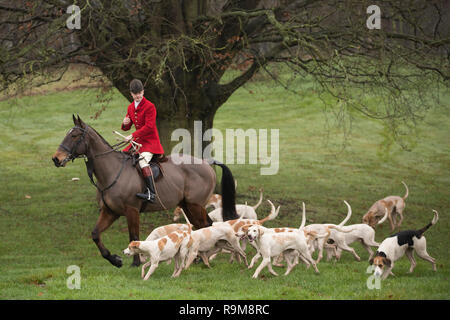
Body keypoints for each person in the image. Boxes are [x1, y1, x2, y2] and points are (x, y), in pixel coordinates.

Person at [121, 79, 164, 202]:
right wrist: (124, 124)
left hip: (150, 142)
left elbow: (149, 127)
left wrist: (132, 135)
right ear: (131, 94)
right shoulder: (130, 107)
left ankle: (151, 193)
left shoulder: (150, 106)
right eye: (135, 94)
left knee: (143, 163)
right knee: (123, 158)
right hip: (138, 142)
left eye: (140, 93)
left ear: (143, 92)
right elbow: (127, 127)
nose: (138, 96)